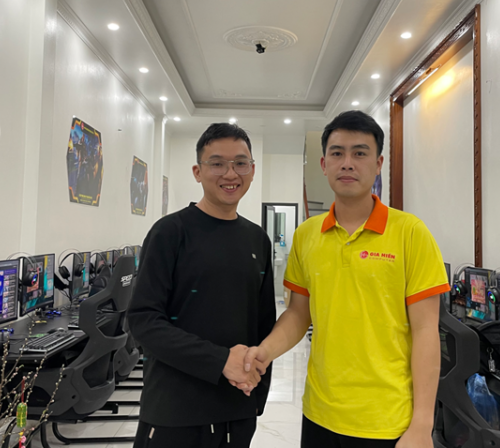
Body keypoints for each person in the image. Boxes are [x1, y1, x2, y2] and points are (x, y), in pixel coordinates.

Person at [236, 111, 449, 448]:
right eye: (337, 153)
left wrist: (422, 423)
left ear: (378, 164)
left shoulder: (411, 233)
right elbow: (299, 314)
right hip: (320, 413)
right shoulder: (306, 235)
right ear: (324, 164)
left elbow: (426, 331)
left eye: (360, 153)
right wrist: (264, 352)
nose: (347, 163)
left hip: (387, 420)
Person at [128, 123, 276, 448]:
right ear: (198, 172)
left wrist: (256, 393)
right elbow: (143, 320)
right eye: (217, 163)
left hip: (237, 408)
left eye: (240, 163)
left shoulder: (258, 239)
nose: (230, 173)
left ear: (252, 170)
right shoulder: (170, 232)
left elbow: (264, 324)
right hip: (175, 410)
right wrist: (220, 360)